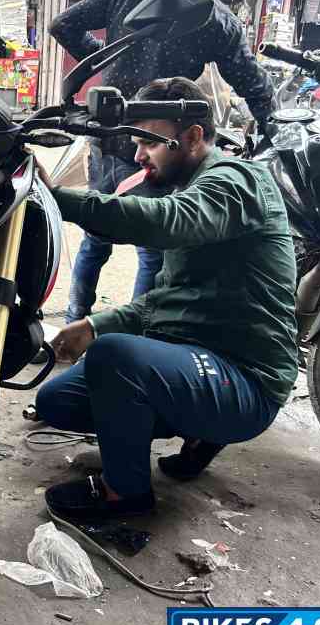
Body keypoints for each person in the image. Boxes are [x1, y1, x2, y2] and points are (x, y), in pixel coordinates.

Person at [32, 77, 297, 524]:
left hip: (246, 380)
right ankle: (199, 431)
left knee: (115, 358)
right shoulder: (194, 189)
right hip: (196, 361)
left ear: (192, 136)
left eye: (148, 143)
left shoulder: (238, 181)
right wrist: (95, 324)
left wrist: (58, 200)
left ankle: (126, 494)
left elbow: (168, 222)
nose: (138, 156)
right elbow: (165, 298)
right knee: (57, 400)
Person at [49, 0, 274, 325]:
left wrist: (103, 61)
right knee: (153, 248)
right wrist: (276, 130)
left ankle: (73, 323)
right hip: (162, 148)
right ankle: (137, 334)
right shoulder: (216, 17)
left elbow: (61, 25)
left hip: (108, 135)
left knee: (95, 236)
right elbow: (254, 86)